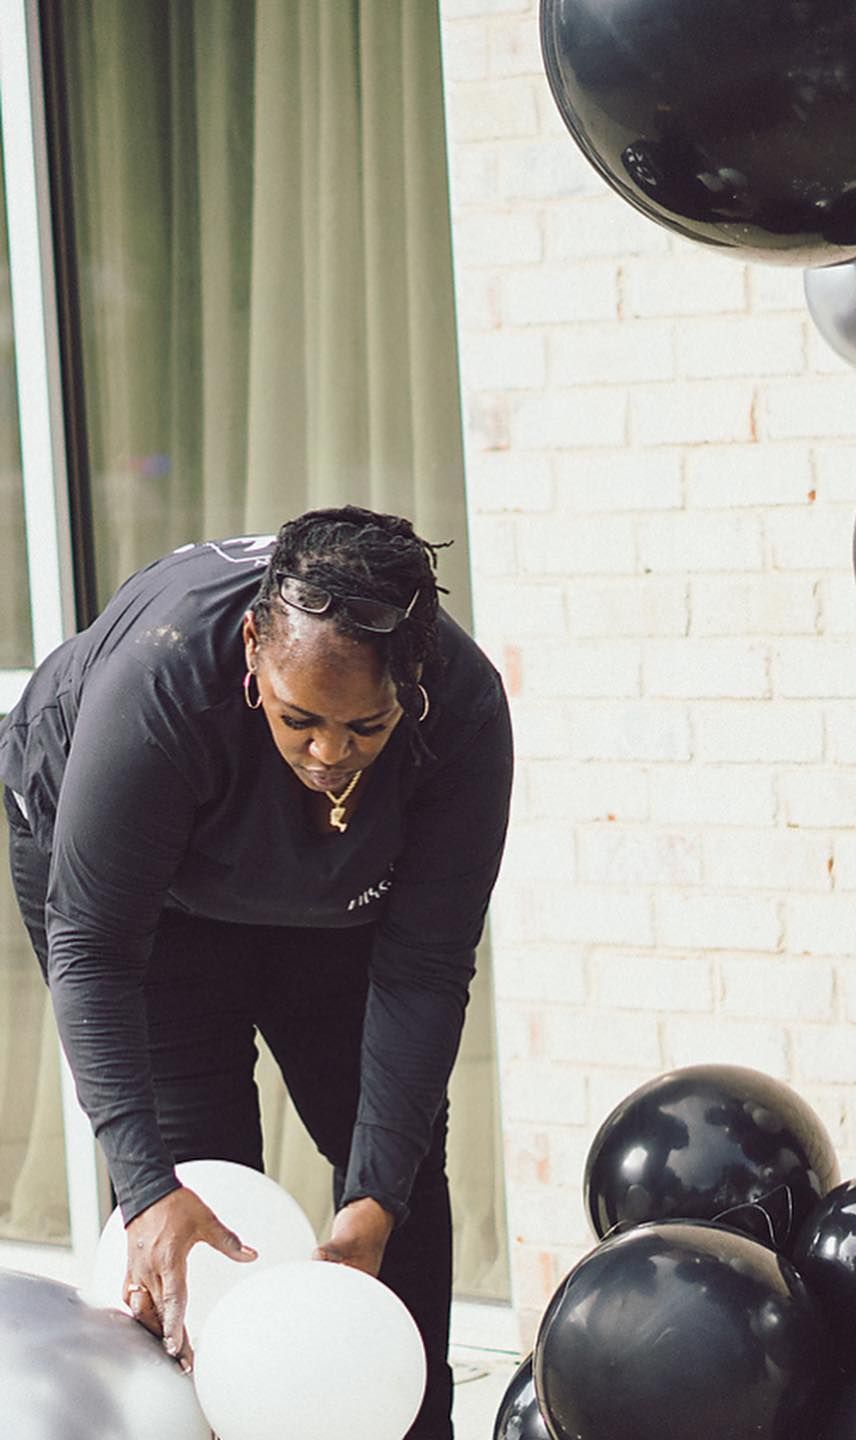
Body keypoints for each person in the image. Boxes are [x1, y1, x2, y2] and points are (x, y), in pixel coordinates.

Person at [0, 507, 512, 1439]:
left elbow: (426, 970)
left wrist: (370, 1207)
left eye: (366, 725)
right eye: (299, 718)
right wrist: (150, 1189)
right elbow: (94, 948)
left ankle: (417, 1424)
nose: (327, 754)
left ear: (417, 685)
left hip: (334, 894)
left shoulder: (464, 714)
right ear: (250, 650)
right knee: (198, 1189)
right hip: (147, 913)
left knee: (395, 1166)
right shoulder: (163, 684)